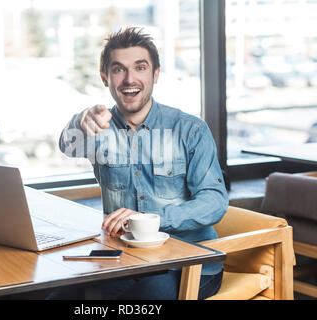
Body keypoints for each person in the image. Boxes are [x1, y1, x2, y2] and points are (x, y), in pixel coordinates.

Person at [53, 27, 228, 300]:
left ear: (155, 74)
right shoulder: (98, 129)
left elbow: (214, 201)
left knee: (147, 295)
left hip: (189, 264)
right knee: (62, 295)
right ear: (105, 77)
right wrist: (79, 120)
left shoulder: (190, 129)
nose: (129, 79)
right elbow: (68, 146)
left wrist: (149, 221)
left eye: (140, 67)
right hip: (124, 259)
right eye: (118, 69)